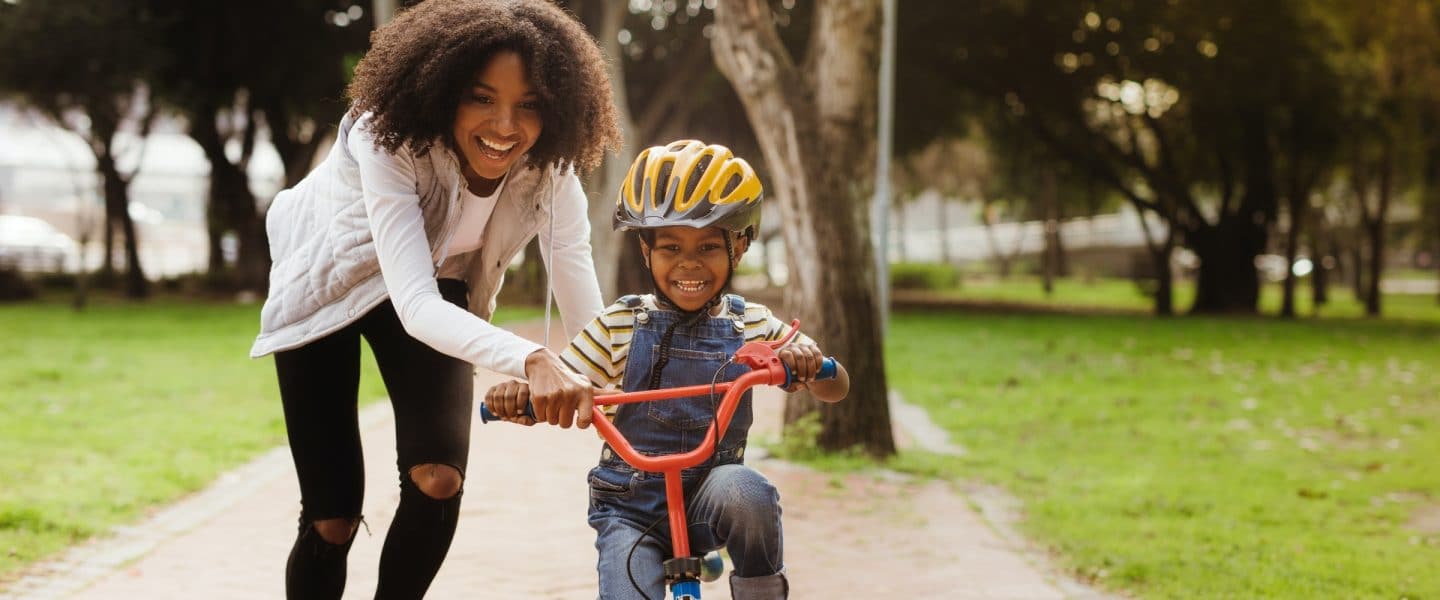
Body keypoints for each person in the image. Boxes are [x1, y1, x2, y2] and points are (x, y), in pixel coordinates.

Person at [247, 1, 622, 597]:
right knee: (333, 518)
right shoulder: (384, 135)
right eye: (481, 97)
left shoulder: (551, 170)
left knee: (439, 478)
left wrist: (620, 378)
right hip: (326, 287)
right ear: (442, 90)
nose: (505, 126)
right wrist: (532, 359)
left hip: (436, 283)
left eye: (528, 105)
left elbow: (578, 291)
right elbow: (413, 303)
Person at [485, 140, 851, 599]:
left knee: (749, 492)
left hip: (710, 498)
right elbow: (565, 379)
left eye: (708, 247)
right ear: (646, 251)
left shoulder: (752, 324)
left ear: (738, 247)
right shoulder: (620, 322)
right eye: (671, 246)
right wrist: (522, 396)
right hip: (631, 507)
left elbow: (835, 385)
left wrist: (810, 365)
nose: (689, 263)